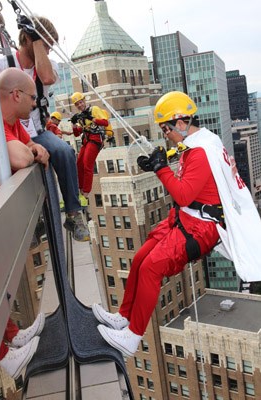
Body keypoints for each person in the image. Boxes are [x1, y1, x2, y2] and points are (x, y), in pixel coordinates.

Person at [91, 91, 250, 357]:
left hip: (200, 227)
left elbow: (184, 194)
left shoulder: (201, 152)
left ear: (180, 122)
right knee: (141, 257)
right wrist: (157, 163)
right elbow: (185, 163)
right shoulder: (202, 141)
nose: (165, 133)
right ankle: (124, 316)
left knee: (152, 267)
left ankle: (132, 337)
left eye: (166, 128)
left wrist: (161, 169)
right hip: (185, 219)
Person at [0, 16, 88, 242]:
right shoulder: (0, 66)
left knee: (63, 152)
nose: (48, 50)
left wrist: (38, 43)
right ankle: (35, 221)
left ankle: (73, 213)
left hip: (35, 130)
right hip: (9, 127)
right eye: (46, 44)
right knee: (19, 165)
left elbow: (46, 77)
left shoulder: (47, 66)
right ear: (27, 39)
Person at [0, 68, 49, 378]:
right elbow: (23, 157)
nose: (34, 102)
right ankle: (6, 357)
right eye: (31, 96)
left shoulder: (13, 124)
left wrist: (31, 149)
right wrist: (30, 150)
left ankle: (12, 335)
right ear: (15, 95)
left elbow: (35, 149)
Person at [70, 92, 109, 199]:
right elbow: (77, 133)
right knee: (79, 163)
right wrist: (73, 123)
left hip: (95, 139)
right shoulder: (81, 116)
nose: (79, 105)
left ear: (84, 101)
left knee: (87, 164)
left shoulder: (94, 109)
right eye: (77, 104)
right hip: (87, 140)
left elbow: (105, 123)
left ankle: (86, 191)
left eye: (81, 102)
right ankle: (81, 188)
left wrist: (91, 118)